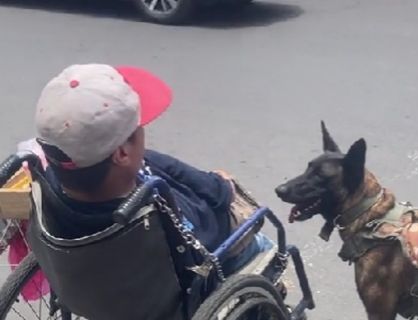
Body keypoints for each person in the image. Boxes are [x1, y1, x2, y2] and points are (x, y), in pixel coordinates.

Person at [32, 63, 272, 275]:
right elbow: (205, 233)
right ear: (122, 153)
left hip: (98, 284)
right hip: (192, 266)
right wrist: (222, 188)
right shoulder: (152, 211)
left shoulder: (50, 186)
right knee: (261, 244)